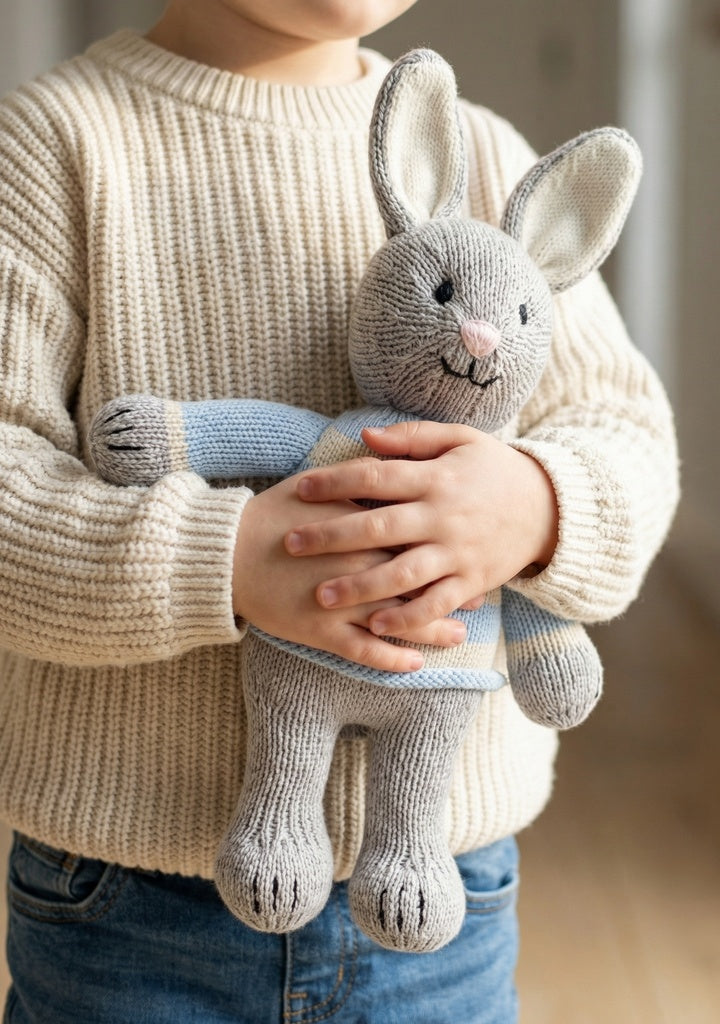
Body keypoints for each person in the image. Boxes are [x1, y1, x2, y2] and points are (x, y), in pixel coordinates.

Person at [0, 1, 679, 1021]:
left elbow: (625, 433)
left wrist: (534, 503)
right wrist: (221, 558)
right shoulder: (56, 144)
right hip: (128, 912)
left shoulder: (489, 160)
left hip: (440, 894)